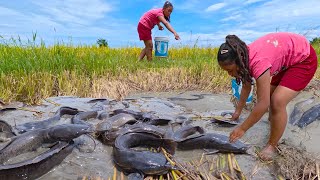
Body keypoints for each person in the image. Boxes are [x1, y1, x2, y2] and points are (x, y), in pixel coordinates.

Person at [216, 32, 318, 160]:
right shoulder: (244, 59)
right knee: (269, 94)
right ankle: (274, 122)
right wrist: (237, 112)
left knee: (277, 101)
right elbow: (246, 87)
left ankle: (272, 145)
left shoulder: (258, 62)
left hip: (304, 59)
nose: (230, 74)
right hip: (287, 61)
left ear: (239, 60)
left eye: (230, 70)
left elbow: (263, 104)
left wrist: (242, 129)